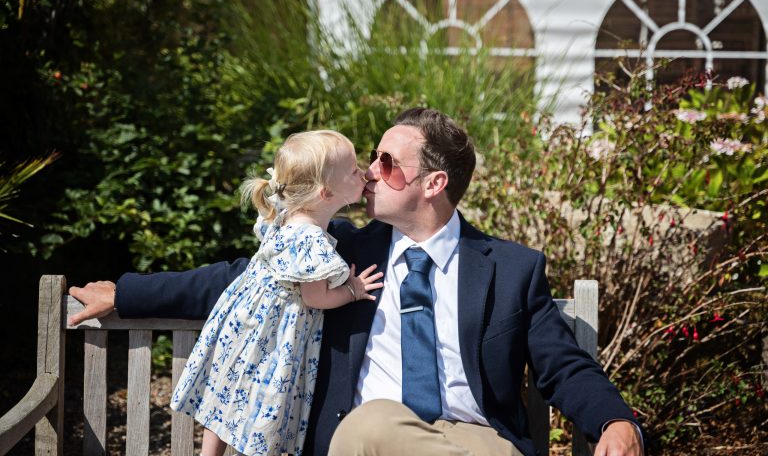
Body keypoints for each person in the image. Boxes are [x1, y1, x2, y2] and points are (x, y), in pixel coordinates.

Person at [69, 108, 644, 456]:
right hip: (363, 442)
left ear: (433, 182)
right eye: (371, 158)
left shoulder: (511, 269)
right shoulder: (339, 248)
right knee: (370, 424)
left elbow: (563, 364)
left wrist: (616, 421)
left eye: (388, 162)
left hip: (475, 441)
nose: (370, 171)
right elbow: (238, 280)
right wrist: (124, 294)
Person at [164, 130, 383, 456]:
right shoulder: (311, 240)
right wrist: (352, 290)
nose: (363, 173)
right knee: (265, 400)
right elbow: (316, 297)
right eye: (353, 170)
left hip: (243, 323)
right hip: (274, 332)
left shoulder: (283, 217)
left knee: (229, 389)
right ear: (325, 192)